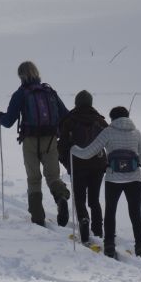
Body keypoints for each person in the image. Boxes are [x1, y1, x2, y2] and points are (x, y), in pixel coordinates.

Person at [0, 61, 71, 227]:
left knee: (34, 179)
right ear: (37, 72)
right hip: (50, 139)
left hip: (30, 140)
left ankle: (37, 218)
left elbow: (8, 122)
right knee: (53, 176)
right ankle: (61, 197)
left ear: (21, 76)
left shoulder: (21, 93)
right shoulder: (49, 91)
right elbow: (65, 115)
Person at [80, 105, 141, 259]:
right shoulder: (136, 133)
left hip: (113, 179)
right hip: (134, 179)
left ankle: (110, 245)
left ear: (112, 118)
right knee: (135, 214)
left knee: (110, 212)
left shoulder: (108, 132)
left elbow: (88, 152)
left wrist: (74, 150)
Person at [58, 90, 109, 247]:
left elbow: (62, 145)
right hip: (98, 165)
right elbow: (110, 141)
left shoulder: (69, 120)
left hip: (77, 165)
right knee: (94, 199)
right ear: (91, 102)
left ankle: (83, 222)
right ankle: (98, 231)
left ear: (77, 102)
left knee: (80, 198)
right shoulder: (100, 121)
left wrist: (67, 164)